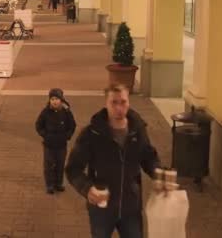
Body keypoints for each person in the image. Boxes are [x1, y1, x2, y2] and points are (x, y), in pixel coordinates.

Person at [65, 84, 161, 238]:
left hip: (131, 208)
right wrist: (87, 188)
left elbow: (148, 157)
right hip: (102, 209)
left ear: (129, 102)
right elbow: (73, 169)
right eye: (114, 103)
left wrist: (159, 175)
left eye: (123, 102)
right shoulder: (92, 133)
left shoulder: (138, 129)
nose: (119, 108)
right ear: (106, 104)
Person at [35, 88, 76, 194]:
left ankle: (59, 183)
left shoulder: (66, 112)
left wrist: (67, 136)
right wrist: (45, 135)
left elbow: (72, 125)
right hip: (49, 144)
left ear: (61, 100)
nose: (54, 101)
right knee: (48, 165)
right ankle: (50, 184)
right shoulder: (45, 112)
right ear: (50, 100)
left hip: (61, 145)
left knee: (60, 164)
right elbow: (38, 125)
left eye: (57, 99)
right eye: (52, 99)